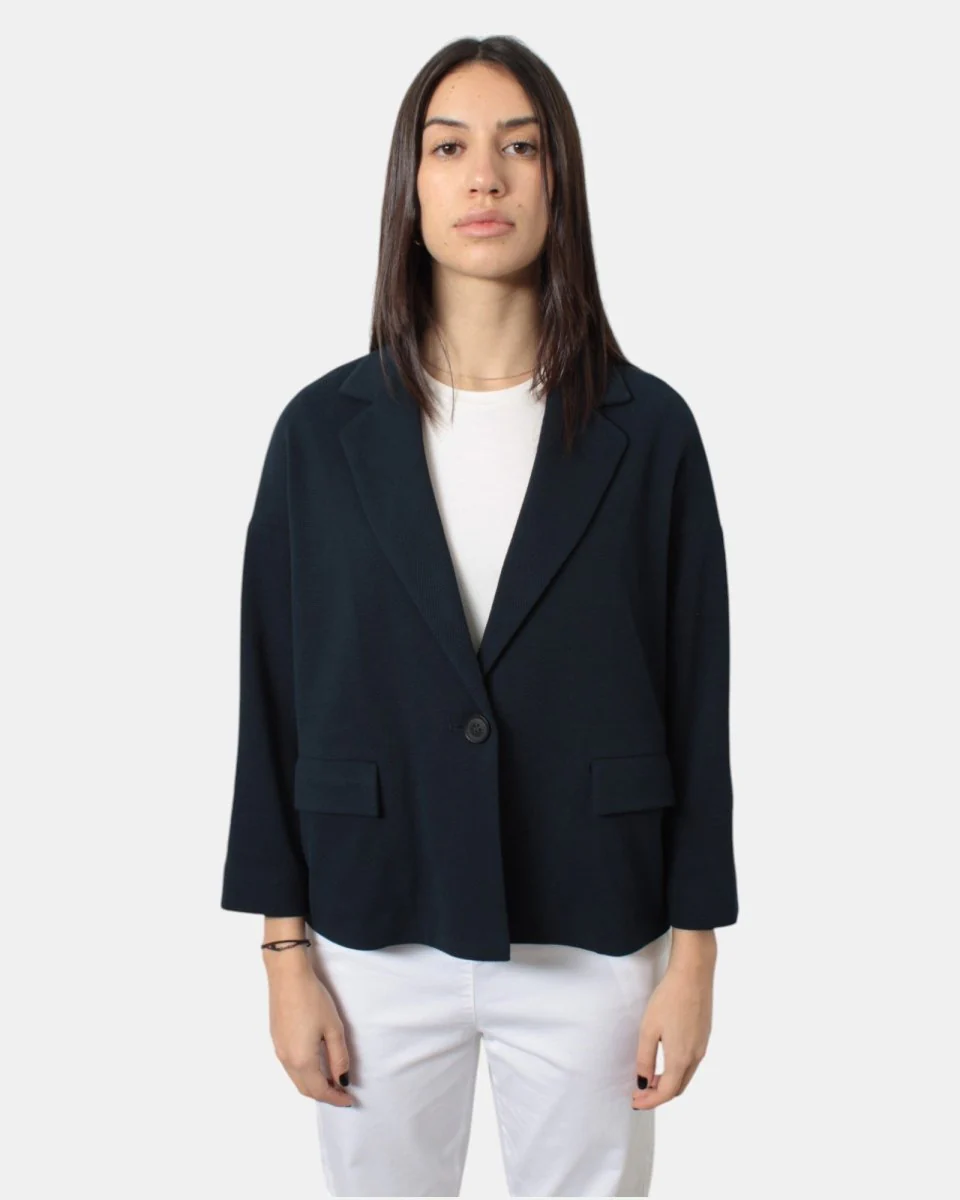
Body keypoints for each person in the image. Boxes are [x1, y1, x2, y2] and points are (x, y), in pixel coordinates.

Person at [221, 34, 738, 1198]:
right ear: (410, 189)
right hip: (371, 928)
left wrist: (695, 951)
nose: (485, 177)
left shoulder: (650, 432)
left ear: (560, 182)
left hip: (595, 931)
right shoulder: (320, 434)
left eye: (521, 146)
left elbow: (697, 697)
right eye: (449, 148)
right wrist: (283, 952)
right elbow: (272, 699)